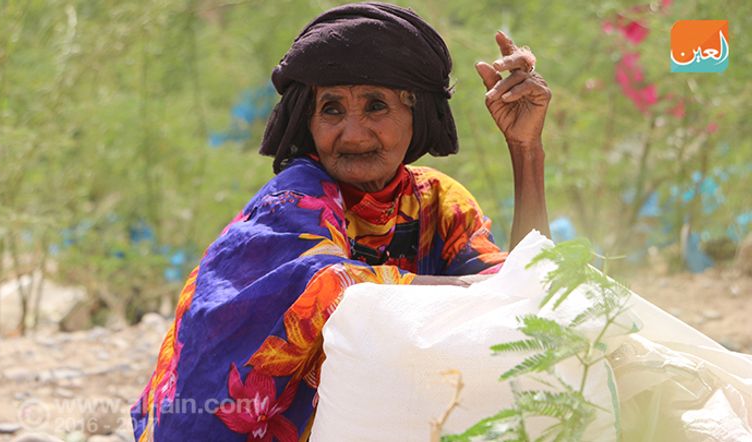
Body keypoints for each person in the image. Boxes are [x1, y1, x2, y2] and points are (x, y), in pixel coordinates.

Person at [131, 2, 551, 440]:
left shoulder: (437, 201)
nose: (352, 133)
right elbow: (331, 286)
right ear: (307, 121)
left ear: (418, 114)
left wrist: (526, 149)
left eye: (375, 106)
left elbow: (535, 287)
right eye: (332, 109)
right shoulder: (295, 199)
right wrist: (477, 290)